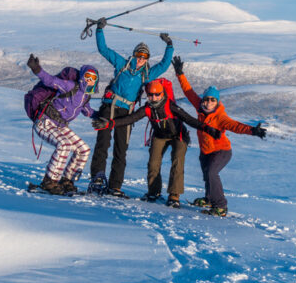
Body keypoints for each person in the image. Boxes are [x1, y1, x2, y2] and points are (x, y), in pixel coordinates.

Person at [92, 78, 221, 207]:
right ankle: (153, 192)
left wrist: (210, 130)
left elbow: (191, 120)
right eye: (150, 95)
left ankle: (174, 196)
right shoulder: (147, 109)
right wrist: (110, 123)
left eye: (157, 94)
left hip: (178, 136)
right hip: (159, 136)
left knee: (177, 161)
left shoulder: (170, 106)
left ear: (162, 94)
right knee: (153, 163)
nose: (154, 98)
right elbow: (131, 119)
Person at [89, 17, 174, 197]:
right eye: (139, 55)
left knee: (122, 148)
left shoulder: (147, 74)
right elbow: (103, 49)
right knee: (103, 142)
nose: (142, 59)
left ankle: (115, 186)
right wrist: (99, 29)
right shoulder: (122, 64)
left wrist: (169, 45)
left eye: (145, 57)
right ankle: (97, 177)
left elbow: (165, 65)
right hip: (110, 106)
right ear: (135, 54)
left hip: (127, 112)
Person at [172, 55, 267, 216]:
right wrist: (180, 73)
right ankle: (210, 198)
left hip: (221, 151)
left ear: (217, 102)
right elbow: (189, 92)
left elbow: (235, 126)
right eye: (206, 99)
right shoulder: (200, 108)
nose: (207, 102)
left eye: (212, 100)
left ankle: (221, 205)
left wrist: (252, 130)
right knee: (206, 175)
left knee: (211, 173)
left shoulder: (220, 117)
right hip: (206, 151)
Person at [26, 54, 99, 195]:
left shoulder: (85, 96)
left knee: (83, 149)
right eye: (87, 76)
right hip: (44, 122)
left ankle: (67, 181)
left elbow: (88, 111)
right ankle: (49, 182)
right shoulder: (70, 86)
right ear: (82, 76)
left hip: (60, 126)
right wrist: (36, 69)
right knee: (64, 145)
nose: (89, 80)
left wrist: (104, 116)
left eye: (93, 78)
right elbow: (50, 80)